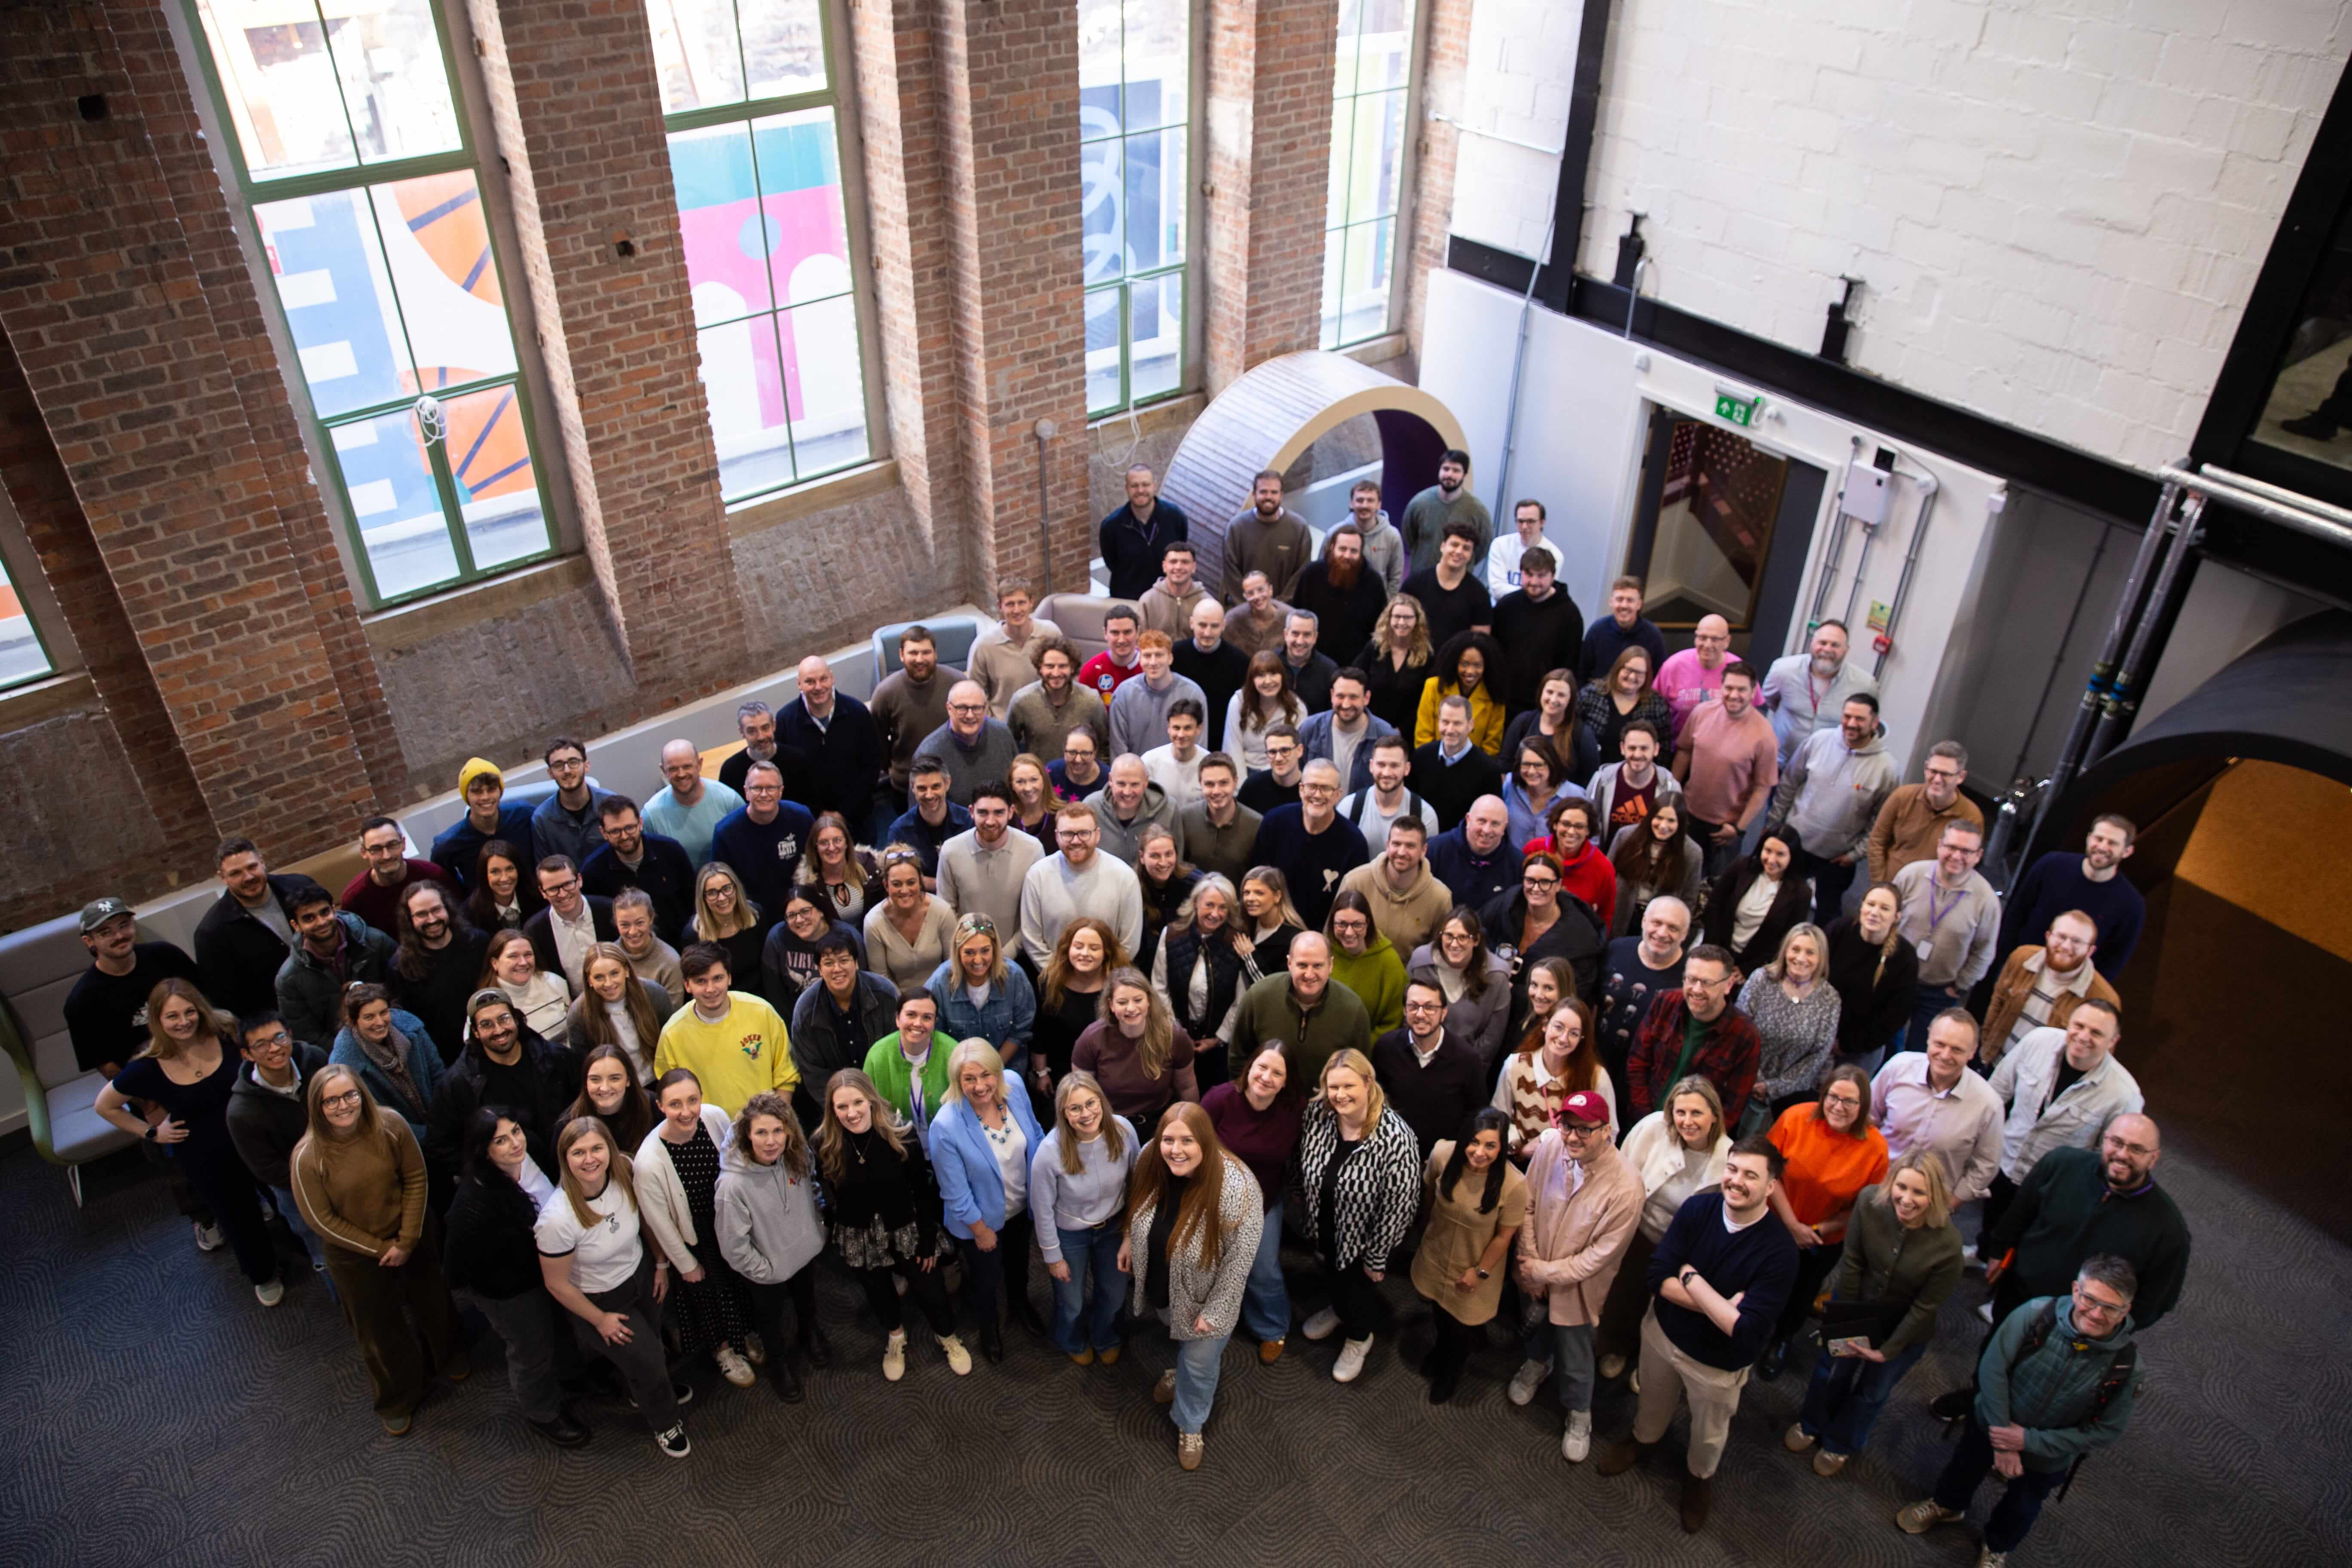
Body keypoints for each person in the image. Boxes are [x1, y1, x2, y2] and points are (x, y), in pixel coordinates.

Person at [1596, 1134, 1799, 1532]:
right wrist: (1718, 1303)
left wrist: (1688, 1276)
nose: (1737, 1181)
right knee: (1653, 1403)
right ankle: (1643, 1441)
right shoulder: (1699, 1208)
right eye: (1733, 1169)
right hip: (1662, 1335)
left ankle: (1698, 1478)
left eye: (1751, 1176)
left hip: (1718, 1363)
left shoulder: (1780, 1252)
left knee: (1708, 1433)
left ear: (1771, 1187)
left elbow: (1745, 1328)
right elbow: (1658, 1277)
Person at [1897, 1256, 2144, 1564]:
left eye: (2110, 1308)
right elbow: (1993, 1371)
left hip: (2048, 1455)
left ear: (2127, 1311)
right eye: (2089, 1299)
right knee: (1963, 1468)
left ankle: (1997, 1547)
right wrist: (2004, 1437)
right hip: (1991, 1423)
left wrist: (2026, 1442)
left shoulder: (2127, 1367)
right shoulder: (2035, 1314)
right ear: (2075, 1290)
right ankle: (1947, 1506)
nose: (2095, 1314)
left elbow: (2105, 1431)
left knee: (2023, 1506)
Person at [293, 1066, 469, 1436]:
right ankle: (399, 1397)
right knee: (378, 1330)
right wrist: (380, 1249)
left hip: (411, 1233)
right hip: (355, 1254)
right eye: (331, 1101)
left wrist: (406, 1240)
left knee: (434, 1301)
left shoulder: (390, 1124)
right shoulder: (308, 1156)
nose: (343, 1106)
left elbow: (417, 1178)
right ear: (317, 1106)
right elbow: (321, 1220)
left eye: (350, 1095)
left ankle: (448, 1355)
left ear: (362, 1093)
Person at [94, 980, 285, 1305]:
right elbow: (105, 1105)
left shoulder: (226, 1030)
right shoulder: (148, 1065)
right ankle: (263, 1275)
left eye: (189, 1012)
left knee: (285, 1199)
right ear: (158, 1020)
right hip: (206, 1155)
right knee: (237, 1218)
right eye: (172, 1017)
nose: (183, 1022)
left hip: (257, 1137)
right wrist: (153, 1133)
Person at [1785, 1150, 1962, 1473]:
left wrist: (1888, 1351)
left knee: (1871, 1391)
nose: (1906, 1200)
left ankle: (1841, 1443)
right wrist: (1848, 1326)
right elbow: (1852, 1263)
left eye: (1919, 1193)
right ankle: (1812, 1423)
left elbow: (1925, 1306)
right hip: (1855, 1304)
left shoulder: (1949, 1245)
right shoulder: (1870, 1202)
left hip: (1903, 1327)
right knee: (1831, 1372)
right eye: (1902, 1188)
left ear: (1934, 1195)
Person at [535, 1116, 691, 1457]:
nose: (590, 1159)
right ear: (565, 1158)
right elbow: (557, 1285)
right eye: (578, 1153)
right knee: (649, 1361)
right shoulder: (557, 1219)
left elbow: (645, 1219)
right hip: (602, 1299)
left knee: (649, 1354)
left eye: (597, 1149)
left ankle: (647, 1391)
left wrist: (661, 1264)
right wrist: (600, 1320)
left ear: (610, 1149)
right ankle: (665, 1423)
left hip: (641, 1273)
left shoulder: (624, 1169)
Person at [1499, 1084, 1642, 1454]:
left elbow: (1600, 1257)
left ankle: (1580, 1413)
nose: (1573, 1137)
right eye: (1567, 1126)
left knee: (1577, 1356)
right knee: (1535, 1329)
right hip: (1532, 1268)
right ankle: (1536, 1364)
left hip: (1577, 1287)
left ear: (1606, 1131)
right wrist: (1529, 1262)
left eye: (1584, 1129)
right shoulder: (1550, 1147)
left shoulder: (1628, 1188)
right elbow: (1526, 1203)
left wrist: (1545, 1272)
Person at [1123, 1100, 1264, 1470]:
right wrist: (1128, 1238)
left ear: (1206, 1140)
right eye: (1169, 1139)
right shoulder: (1152, 1156)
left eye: (1187, 1140)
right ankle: (1181, 1374)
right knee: (1179, 1337)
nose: (1176, 1150)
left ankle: (1191, 1423)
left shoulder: (1238, 1186)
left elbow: (1241, 1259)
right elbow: (1137, 1200)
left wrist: (1215, 1311)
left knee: (1201, 1364)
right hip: (1164, 1283)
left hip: (1208, 1300)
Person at [442, 1108, 589, 1448]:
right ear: (484, 1150)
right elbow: (456, 1269)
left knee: (561, 1328)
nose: (515, 1143)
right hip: (508, 1290)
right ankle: (543, 1414)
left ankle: (573, 1379)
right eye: (501, 1140)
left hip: (546, 1271)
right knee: (531, 1351)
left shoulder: (533, 1148)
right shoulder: (475, 1200)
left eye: (516, 1132)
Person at [815, 1068, 971, 1380]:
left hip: (906, 1228)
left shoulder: (902, 1135)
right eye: (841, 1107)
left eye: (857, 1102)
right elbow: (830, 1195)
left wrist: (927, 1238)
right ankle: (896, 1337)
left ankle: (947, 1337)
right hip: (859, 1234)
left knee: (931, 1290)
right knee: (879, 1292)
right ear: (832, 1111)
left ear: (871, 1100)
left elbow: (924, 1192)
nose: (851, 1113)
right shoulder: (824, 1143)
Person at [1977, 1114, 2189, 1340]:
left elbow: (2157, 1300)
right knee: (1994, 1357)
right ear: (2104, 1140)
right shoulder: (2060, 1164)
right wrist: (1998, 1251)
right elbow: (2019, 1213)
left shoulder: (2169, 1229)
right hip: (2018, 1296)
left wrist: (2105, 1326)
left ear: (2154, 1159)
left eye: (2137, 1149)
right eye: (2116, 1142)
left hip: (2082, 1329)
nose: (2122, 1154)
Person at [1293, 1049, 1423, 1382]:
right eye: (1333, 1087)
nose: (1340, 1095)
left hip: (1366, 1241)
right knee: (1334, 1281)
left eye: (1349, 1086)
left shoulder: (1397, 1138)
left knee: (1357, 1292)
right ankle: (1338, 1309)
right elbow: (1302, 1161)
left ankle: (1359, 1337)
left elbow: (1400, 1207)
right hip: (1324, 1225)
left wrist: (1377, 1258)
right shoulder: (1318, 1115)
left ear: (1368, 1083)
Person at [1590, 1077, 1730, 1380]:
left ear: (1715, 1116)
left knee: (1666, 1310)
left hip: (1686, 1250)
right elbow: (1620, 1173)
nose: (1687, 1121)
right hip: (1641, 1232)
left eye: (1697, 1113)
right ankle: (1617, 1347)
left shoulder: (1729, 1158)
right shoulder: (1653, 1128)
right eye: (1680, 1113)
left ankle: (1652, 1362)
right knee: (1626, 1297)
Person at [1758, 1065, 1889, 1377]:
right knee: (1758, 1278)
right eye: (1833, 1097)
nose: (1838, 1107)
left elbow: (1863, 1207)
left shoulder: (1876, 1149)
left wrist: (1814, 1231)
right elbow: (1767, 1170)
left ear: (1864, 1107)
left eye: (1849, 1102)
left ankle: (1782, 1339)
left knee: (1802, 1292)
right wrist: (1792, 1225)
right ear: (1823, 1095)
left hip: (1822, 1239)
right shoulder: (1795, 1118)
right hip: (1773, 1221)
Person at [635, 1068, 757, 1389]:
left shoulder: (715, 1117)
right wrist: (685, 1263)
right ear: (660, 1106)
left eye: (693, 1100)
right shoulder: (649, 1161)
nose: (687, 1111)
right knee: (708, 1297)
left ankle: (744, 1334)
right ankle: (724, 1350)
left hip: (727, 1223)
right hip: (695, 1236)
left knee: (738, 1285)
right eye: (675, 1104)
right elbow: (658, 1221)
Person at [1982, 1003, 2144, 1243]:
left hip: (2054, 1188)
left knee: (2028, 1246)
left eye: (2097, 1033)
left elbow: (2110, 1158)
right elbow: (1994, 1094)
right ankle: (1983, 1252)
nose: (2083, 1037)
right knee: (1992, 1225)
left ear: (2113, 1042)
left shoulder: (2124, 1094)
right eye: (2079, 1026)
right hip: (2006, 1161)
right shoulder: (2037, 1041)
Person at [931, 1039, 1048, 1360]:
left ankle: (1020, 1305)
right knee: (986, 1280)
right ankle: (989, 1327)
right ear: (957, 1081)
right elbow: (955, 1193)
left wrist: (1043, 1194)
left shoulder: (1012, 1085)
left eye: (986, 1075)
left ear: (998, 1072)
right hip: (981, 1221)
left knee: (1019, 1264)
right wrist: (981, 1231)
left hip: (1022, 1208)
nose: (980, 1086)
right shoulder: (946, 1126)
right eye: (969, 1079)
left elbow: (1036, 1134)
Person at [1410, 1106, 1531, 1406]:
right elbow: (1428, 1195)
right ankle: (1441, 1352)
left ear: (1502, 1147)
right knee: (1439, 1311)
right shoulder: (1443, 1154)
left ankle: (1452, 1371)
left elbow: (1505, 1236)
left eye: (1491, 1146)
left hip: (1475, 1266)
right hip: (1437, 1254)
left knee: (1459, 1326)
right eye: (1474, 1142)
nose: (1479, 1152)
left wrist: (1480, 1272)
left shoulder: (1514, 1185)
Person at [714, 1091, 830, 1402]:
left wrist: (816, 1229)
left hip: (805, 1252)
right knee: (771, 1320)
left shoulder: (797, 1155)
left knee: (807, 1301)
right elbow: (733, 1246)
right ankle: (778, 1365)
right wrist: (765, 1271)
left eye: (778, 1131)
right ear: (747, 1135)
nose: (771, 1141)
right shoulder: (732, 1186)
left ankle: (810, 1333)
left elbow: (814, 1188)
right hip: (767, 1271)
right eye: (761, 1132)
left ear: (789, 1131)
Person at [1202, 1043, 1305, 1362]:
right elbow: (1194, 1144)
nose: (1266, 1077)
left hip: (1263, 1202)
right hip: (1214, 1200)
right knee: (1212, 1267)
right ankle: (1217, 1319)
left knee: (1264, 1271)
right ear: (1250, 1066)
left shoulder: (1295, 1110)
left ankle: (1272, 1328)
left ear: (1286, 1082)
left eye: (1278, 1073)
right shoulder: (1219, 1099)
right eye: (1262, 1067)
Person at [1030, 1071, 1139, 1364]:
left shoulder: (1125, 1131)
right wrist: (1053, 1258)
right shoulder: (1049, 1152)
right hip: (1070, 1234)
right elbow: (1041, 1210)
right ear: (1064, 1114)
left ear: (1102, 1102)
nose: (1086, 1114)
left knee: (1115, 1294)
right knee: (1072, 1300)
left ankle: (1106, 1337)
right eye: (1075, 1108)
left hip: (1115, 1227)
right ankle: (1072, 1340)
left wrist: (1131, 1236)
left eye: (1091, 1104)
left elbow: (1137, 1187)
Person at [224, 1012, 335, 1286]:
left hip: (344, 1165)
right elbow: (269, 1170)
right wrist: (324, 1179)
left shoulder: (315, 1060)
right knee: (326, 1254)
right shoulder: (242, 1112)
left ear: (290, 1034)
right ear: (247, 1054)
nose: (274, 1049)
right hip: (298, 1191)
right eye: (261, 1045)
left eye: (279, 1038)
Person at [1771, 692, 1899, 925]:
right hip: (1795, 842)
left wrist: (1856, 854)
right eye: (1847, 716)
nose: (1851, 724)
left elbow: (1882, 821)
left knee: (1827, 917)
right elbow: (1789, 782)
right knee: (1781, 904)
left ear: (1874, 722)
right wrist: (1775, 825)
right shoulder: (1819, 740)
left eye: (1860, 719)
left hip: (1838, 858)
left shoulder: (1887, 768)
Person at [429, 987, 581, 1177]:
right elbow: (441, 1147)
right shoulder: (459, 1083)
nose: (499, 1030)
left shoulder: (557, 1059)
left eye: (504, 1019)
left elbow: (583, 1108)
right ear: (475, 1032)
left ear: (517, 1019)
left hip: (569, 1166)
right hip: (509, 1182)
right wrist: (493, 1172)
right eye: (487, 1025)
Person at [1871, 1008, 2004, 1207]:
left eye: (1957, 1050)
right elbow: (1869, 1117)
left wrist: (1952, 1203)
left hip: (1931, 1204)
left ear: (1973, 1052)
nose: (1945, 1055)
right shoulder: (1898, 1068)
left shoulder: (1988, 1104)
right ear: (1929, 1038)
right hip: (1877, 1187)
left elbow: (1986, 1165)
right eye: (1940, 1044)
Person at [1893, 818, 2002, 1048]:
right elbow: (1888, 920)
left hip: (1939, 991)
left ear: (1978, 856)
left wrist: (1960, 986)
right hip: (1897, 978)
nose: (1957, 856)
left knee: (1921, 1052)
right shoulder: (1911, 875)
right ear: (1940, 846)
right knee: (1884, 1042)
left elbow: (1985, 951)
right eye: (1952, 848)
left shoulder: (1986, 900)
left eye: (1966, 851)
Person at [1625, 943, 1762, 1127]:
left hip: (1697, 1137)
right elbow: (1637, 1064)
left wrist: (1696, 1139)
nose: (1697, 990)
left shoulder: (1745, 1035)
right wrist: (1647, 1120)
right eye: (1691, 980)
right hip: (1644, 1121)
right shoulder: (1665, 1003)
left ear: (1729, 985)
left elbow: (1732, 1107)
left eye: (1707, 983)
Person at [652, 944, 798, 1115]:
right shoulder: (672, 1033)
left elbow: (786, 1078)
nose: (711, 989)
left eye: (717, 978)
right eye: (701, 981)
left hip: (762, 1127)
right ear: (687, 985)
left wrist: (773, 1123)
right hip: (706, 1131)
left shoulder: (763, 1013)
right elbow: (670, 1093)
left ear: (729, 978)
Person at [65, 897, 201, 1078]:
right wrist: (148, 1106)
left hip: (200, 1053)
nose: (120, 936)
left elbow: (208, 1002)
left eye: (124, 925)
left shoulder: (167, 955)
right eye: (105, 933)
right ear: (89, 941)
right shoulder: (81, 1001)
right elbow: (107, 1066)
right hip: (150, 1079)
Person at [1997, 814, 2145, 976]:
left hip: (2065, 987)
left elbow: (2114, 961)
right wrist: (2003, 963)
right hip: (2018, 967)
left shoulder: (2132, 905)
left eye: (2112, 843)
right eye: (2099, 839)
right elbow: (2015, 916)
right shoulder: (2051, 865)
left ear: (2127, 851)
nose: (2102, 847)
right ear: (2089, 838)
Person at [1673, 661, 1779, 877]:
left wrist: (1739, 828)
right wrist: (1673, 795)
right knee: (1679, 874)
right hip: (1689, 814)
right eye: (1729, 688)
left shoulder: (1765, 735)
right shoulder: (1702, 712)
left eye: (1742, 689)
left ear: (1753, 693)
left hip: (1725, 828)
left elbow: (1762, 788)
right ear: (1721, 688)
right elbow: (1684, 752)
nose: (1734, 695)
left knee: (1715, 886)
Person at [1980, 910, 2122, 1069]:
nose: (2066, 946)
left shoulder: (2103, 998)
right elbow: (1997, 1003)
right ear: (2048, 936)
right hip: (1996, 1064)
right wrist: (1986, 1045)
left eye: (2077, 941)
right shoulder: (2021, 958)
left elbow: (2099, 1054)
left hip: (2039, 1084)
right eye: (2061, 937)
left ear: (2090, 951)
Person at [1481, 848, 1608, 1025]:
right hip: (1494, 1008)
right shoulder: (1508, 903)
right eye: (1530, 881)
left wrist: (1516, 992)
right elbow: (1479, 929)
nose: (1536, 888)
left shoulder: (1581, 935)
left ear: (1559, 885)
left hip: (1543, 1020)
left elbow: (1575, 992)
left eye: (1545, 882)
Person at [1228, 928, 1369, 1087]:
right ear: (1289, 963)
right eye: (1302, 965)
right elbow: (1237, 1057)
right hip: (1266, 1102)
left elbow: (1360, 1070)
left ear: (1331, 965)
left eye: (1318, 966)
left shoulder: (1353, 1009)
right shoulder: (1258, 996)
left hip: (1325, 1105)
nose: (1309, 975)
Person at [1070, 963, 1201, 1131]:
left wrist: (1191, 1127)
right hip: (1109, 1125)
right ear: (1111, 1005)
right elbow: (1082, 1096)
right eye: (1122, 1002)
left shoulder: (1174, 1036)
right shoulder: (1091, 1038)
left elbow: (1187, 1088)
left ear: (1149, 1001)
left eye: (1138, 1000)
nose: (1131, 1008)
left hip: (1159, 1124)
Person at [787, 931, 898, 1124]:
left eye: (844, 960)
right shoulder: (806, 1011)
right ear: (819, 970)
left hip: (886, 1099)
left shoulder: (885, 995)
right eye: (829, 963)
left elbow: (896, 1053)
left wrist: (878, 1106)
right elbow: (813, 1073)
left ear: (856, 963)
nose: (837, 969)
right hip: (835, 1110)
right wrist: (845, 1110)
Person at [1018, 801, 1145, 967]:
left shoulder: (1125, 877)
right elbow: (1032, 939)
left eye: (1084, 833)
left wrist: (1102, 979)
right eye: (1068, 834)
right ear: (1057, 836)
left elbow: (1129, 944)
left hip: (1108, 982)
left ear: (1097, 835)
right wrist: (1060, 976)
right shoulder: (1037, 875)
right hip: (1054, 982)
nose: (1076, 841)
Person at [1248, 759, 1369, 931]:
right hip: (1271, 928)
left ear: (1338, 795)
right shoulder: (1274, 822)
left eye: (1326, 788)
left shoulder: (1354, 843)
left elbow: (1350, 905)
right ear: (1301, 789)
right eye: (1312, 787)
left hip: (1323, 937)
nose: (1318, 795)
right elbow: (1257, 881)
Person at [1373, 977, 1487, 1158]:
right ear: (1404, 1010)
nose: (1420, 1014)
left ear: (1444, 1013)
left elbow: (1476, 1114)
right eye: (1413, 1006)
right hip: (1391, 1155)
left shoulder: (1467, 1059)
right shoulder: (1385, 1049)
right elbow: (1375, 1101)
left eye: (1430, 1007)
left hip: (1442, 1161)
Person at [196, 839, 310, 1018]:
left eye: (252, 867)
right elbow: (226, 1001)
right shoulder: (212, 933)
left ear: (262, 862)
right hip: (278, 1021)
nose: (248, 877)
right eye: (236, 873)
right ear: (223, 878)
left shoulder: (301, 888)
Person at [276, 883, 398, 1048]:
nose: (321, 922)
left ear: (334, 909)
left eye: (325, 912)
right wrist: (354, 1051)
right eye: (309, 918)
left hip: (395, 1032)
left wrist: (390, 1031)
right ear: (296, 926)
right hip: (343, 1054)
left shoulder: (377, 942)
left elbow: (403, 992)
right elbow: (308, 1035)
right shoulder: (289, 979)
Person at [1596, 897, 1691, 1109]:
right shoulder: (1616, 950)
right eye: (1657, 923)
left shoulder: (1689, 976)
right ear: (1644, 921)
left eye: (1673, 928)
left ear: (1685, 935)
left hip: (1643, 1083)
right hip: (1596, 1062)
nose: (1662, 933)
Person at [777, 654, 890, 830]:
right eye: (810, 682)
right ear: (799, 684)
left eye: (824, 679)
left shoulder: (858, 713)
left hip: (858, 818)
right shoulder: (785, 721)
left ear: (832, 678)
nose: (819, 687)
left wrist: (844, 813)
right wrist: (819, 813)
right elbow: (787, 777)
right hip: (809, 822)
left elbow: (872, 766)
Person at [1742, 923, 1844, 1115]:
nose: (1801, 958)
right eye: (1795, 949)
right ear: (1785, 951)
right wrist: (1756, 1080)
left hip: (1792, 1096)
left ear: (1821, 958)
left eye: (1810, 953)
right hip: (1742, 1076)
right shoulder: (1761, 980)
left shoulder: (1830, 999)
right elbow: (1740, 1032)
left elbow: (1819, 1056)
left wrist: (1774, 1088)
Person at [328, 982, 445, 1142]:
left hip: (440, 1122)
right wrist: (426, 1136)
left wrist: (443, 1120)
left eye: (384, 1013)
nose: (380, 1022)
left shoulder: (413, 1030)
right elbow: (372, 1117)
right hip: (398, 1140)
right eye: (369, 1017)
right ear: (353, 1022)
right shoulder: (345, 1066)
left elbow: (438, 1073)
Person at [390, 881, 491, 1066]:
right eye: (421, 914)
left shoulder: (479, 943)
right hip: (448, 1061)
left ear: (448, 908)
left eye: (437, 910)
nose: (431, 919)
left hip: (492, 1041)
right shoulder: (400, 967)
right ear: (409, 919)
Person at [1758, 619, 1880, 769]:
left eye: (1835, 645)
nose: (1827, 649)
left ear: (1847, 650)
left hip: (1826, 769)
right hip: (1779, 762)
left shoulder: (1865, 685)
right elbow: (1771, 701)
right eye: (1823, 643)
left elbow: (1867, 724)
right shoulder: (1783, 670)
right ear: (1812, 644)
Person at [1826, 882, 1920, 1074]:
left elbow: (1895, 1017)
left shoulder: (1905, 958)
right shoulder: (1838, 931)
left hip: (1861, 1048)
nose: (1875, 912)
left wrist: (1846, 1045)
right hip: (1820, 1033)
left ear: (1897, 917)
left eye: (1885, 909)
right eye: (1871, 904)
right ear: (1862, 906)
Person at [926, 912, 1036, 1074]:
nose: (978, 960)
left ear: (995, 949)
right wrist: (970, 1074)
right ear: (958, 952)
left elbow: (1021, 1031)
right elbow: (937, 1037)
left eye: (985, 951)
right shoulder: (939, 984)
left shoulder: (1015, 977)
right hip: (960, 1073)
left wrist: (991, 1071)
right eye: (969, 952)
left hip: (1007, 1070)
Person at [1408, 908, 1516, 1069]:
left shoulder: (1496, 976)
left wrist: (1462, 1068)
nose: (1454, 944)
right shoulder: (1421, 962)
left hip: (1468, 1068)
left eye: (1463, 937)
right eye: (1449, 936)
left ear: (1477, 940)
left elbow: (1492, 1038)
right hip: (1418, 1060)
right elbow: (1407, 1015)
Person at [1030, 916, 1124, 1099]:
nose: (1085, 953)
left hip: (1111, 1078)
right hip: (1062, 1077)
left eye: (1094, 948)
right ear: (1068, 949)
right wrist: (1042, 1073)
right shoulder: (1049, 983)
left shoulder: (1120, 986)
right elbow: (1040, 1034)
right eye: (1078, 947)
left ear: (1107, 952)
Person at [710, 760, 816, 921]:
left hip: (799, 908)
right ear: (746, 792)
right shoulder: (726, 832)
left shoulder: (802, 818)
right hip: (749, 913)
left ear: (781, 791)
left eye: (771, 788)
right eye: (757, 788)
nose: (764, 794)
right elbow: (720, 881)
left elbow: (815, 862)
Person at [870, 626, 965, 801]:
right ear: (901, 655)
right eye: (913, 653)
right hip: (907, 786)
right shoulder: (885, 693)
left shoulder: (958, 683)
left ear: (936, 653)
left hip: (955, 780)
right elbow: (878, 743)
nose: (920, 659)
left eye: (926, 652)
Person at [581, 796, 697, 940]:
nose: (624, 837)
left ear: (641, 823)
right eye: (615, 832)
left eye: (630, 828)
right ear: (604, 833)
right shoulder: (593, 870)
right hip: (626, 953)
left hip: (680, 945)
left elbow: (694, 901)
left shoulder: (672, 852)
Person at [1866, 740, 1982, 883]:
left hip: (1931, 894)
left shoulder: (1971, 816)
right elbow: (1877, 841)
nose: (1937, 780)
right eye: (1933, 771)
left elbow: (1966, 863)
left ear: (1961, 777)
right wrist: (1880, 885)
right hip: (1891, 884)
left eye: (1946, 774)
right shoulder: (1902, 797)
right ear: (1926, 768)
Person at [430, 758, 540, 897]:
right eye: (477, 792)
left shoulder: (524, 815)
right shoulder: (448, 844)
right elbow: (446, 887)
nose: (485, 797)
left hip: (534, 902)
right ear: (467, 796)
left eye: (491, 789)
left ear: (500, 791)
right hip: (485, 913)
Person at [860, 988, 959, 1137]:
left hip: (948, 1141)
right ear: (898, 1019)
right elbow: (868, 1108)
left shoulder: (953, 1052)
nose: (918, 1023)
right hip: (896, 1145)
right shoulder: (877, 1056)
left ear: (935, 1023)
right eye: (911, 1015)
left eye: (927, 1017)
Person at [338, 818, 455, 945]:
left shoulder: (434, 876)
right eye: (376, 849)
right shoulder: (355, 898)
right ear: (364, 853)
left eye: (392, 845)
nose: (387, 856)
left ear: (404, 844)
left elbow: (459, 918)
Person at [1486, 511, 1581, 667]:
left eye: (1541, 576)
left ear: (1553, 576)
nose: (1534, 582)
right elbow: (1494, 652)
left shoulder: (1569, 615)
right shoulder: (1506, 606)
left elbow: (1570, 663)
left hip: (1547, 690)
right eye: (1529, 575)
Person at [570, 943, 671, 1086]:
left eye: (614, 973)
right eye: (599, 977)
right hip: (615, 1088)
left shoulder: (654, 995)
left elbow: (670, 1043)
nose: (609, 983)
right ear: (589, 981)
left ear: (627, 971)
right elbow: (584, 1066)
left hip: (658, 1079)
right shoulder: (579, 1014)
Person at [914, 680, 1021, 810]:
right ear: (949, 708)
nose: (970, 716)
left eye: (976, 708)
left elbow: (1017, 787)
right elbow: (920, 814)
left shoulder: (1003, 734)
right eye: (962, 708)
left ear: (986, 708)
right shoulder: (929, 753)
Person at [1290, 524, 1388, 665]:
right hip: (1312, 663)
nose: (1347, 556)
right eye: (1342, 549)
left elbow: (1378, 631)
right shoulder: (1311, 575)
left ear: (1361, 553)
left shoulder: (1374, 583)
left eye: (1354, 551)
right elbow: (1297, 613)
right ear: (1332, 548)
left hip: (1356, 666)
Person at [863, 846, 958, 992]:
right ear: (886, 886)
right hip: (899, 1002)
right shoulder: (873, 923)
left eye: (911, 882)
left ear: (921, 882)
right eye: (897, 884)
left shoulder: (942, 911)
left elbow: (952, 966)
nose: (905, 890)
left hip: (943, 994)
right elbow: (882, 978)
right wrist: (907, 1006)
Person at [643, 739, 746, 870]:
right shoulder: (651, 815)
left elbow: (745, 848)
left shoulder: (729, 800)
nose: (681, 774)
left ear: (700, 764)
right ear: (663, 770)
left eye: (687, 767)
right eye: (673, 769)